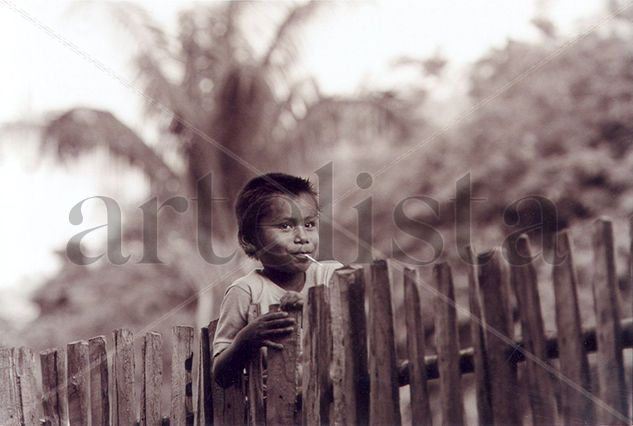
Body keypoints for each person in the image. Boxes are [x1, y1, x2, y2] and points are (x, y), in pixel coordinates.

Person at [212, 172, 342, 387]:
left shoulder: (331, 276)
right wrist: (245, 341)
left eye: (309, 224)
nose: (302, 237)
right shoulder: (246, 292)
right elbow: (221, 376)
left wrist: (314, 306)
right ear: (250, 240)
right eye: (285, 226)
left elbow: (359, 327)